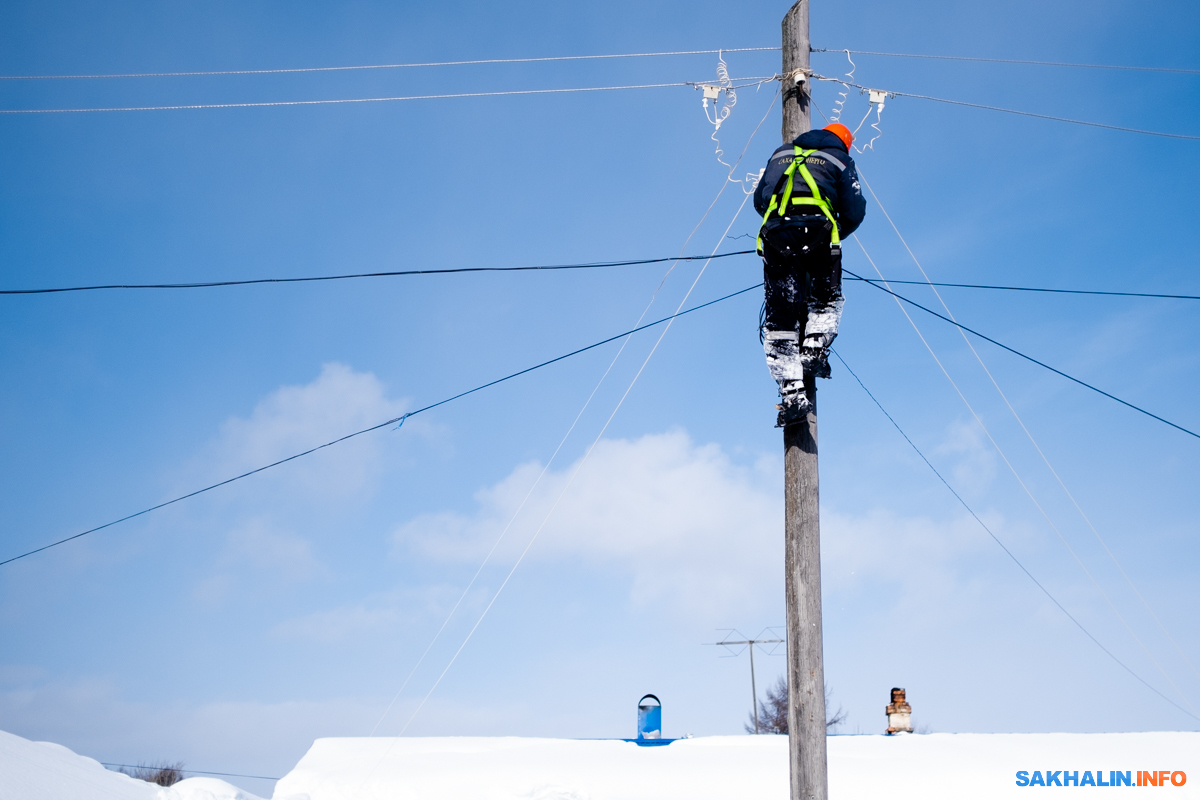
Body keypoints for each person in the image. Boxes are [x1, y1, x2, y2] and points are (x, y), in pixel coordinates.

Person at [753, 121, 866, 427]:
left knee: (780, 319)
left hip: (777, 235)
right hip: (817, 232)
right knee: (825, 298)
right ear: (845, 142)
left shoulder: (780, 153)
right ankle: (814, 350)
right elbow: (854, 211)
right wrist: (832, 232)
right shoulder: (840, 158)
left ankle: (792, 396)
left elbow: (759, 201)